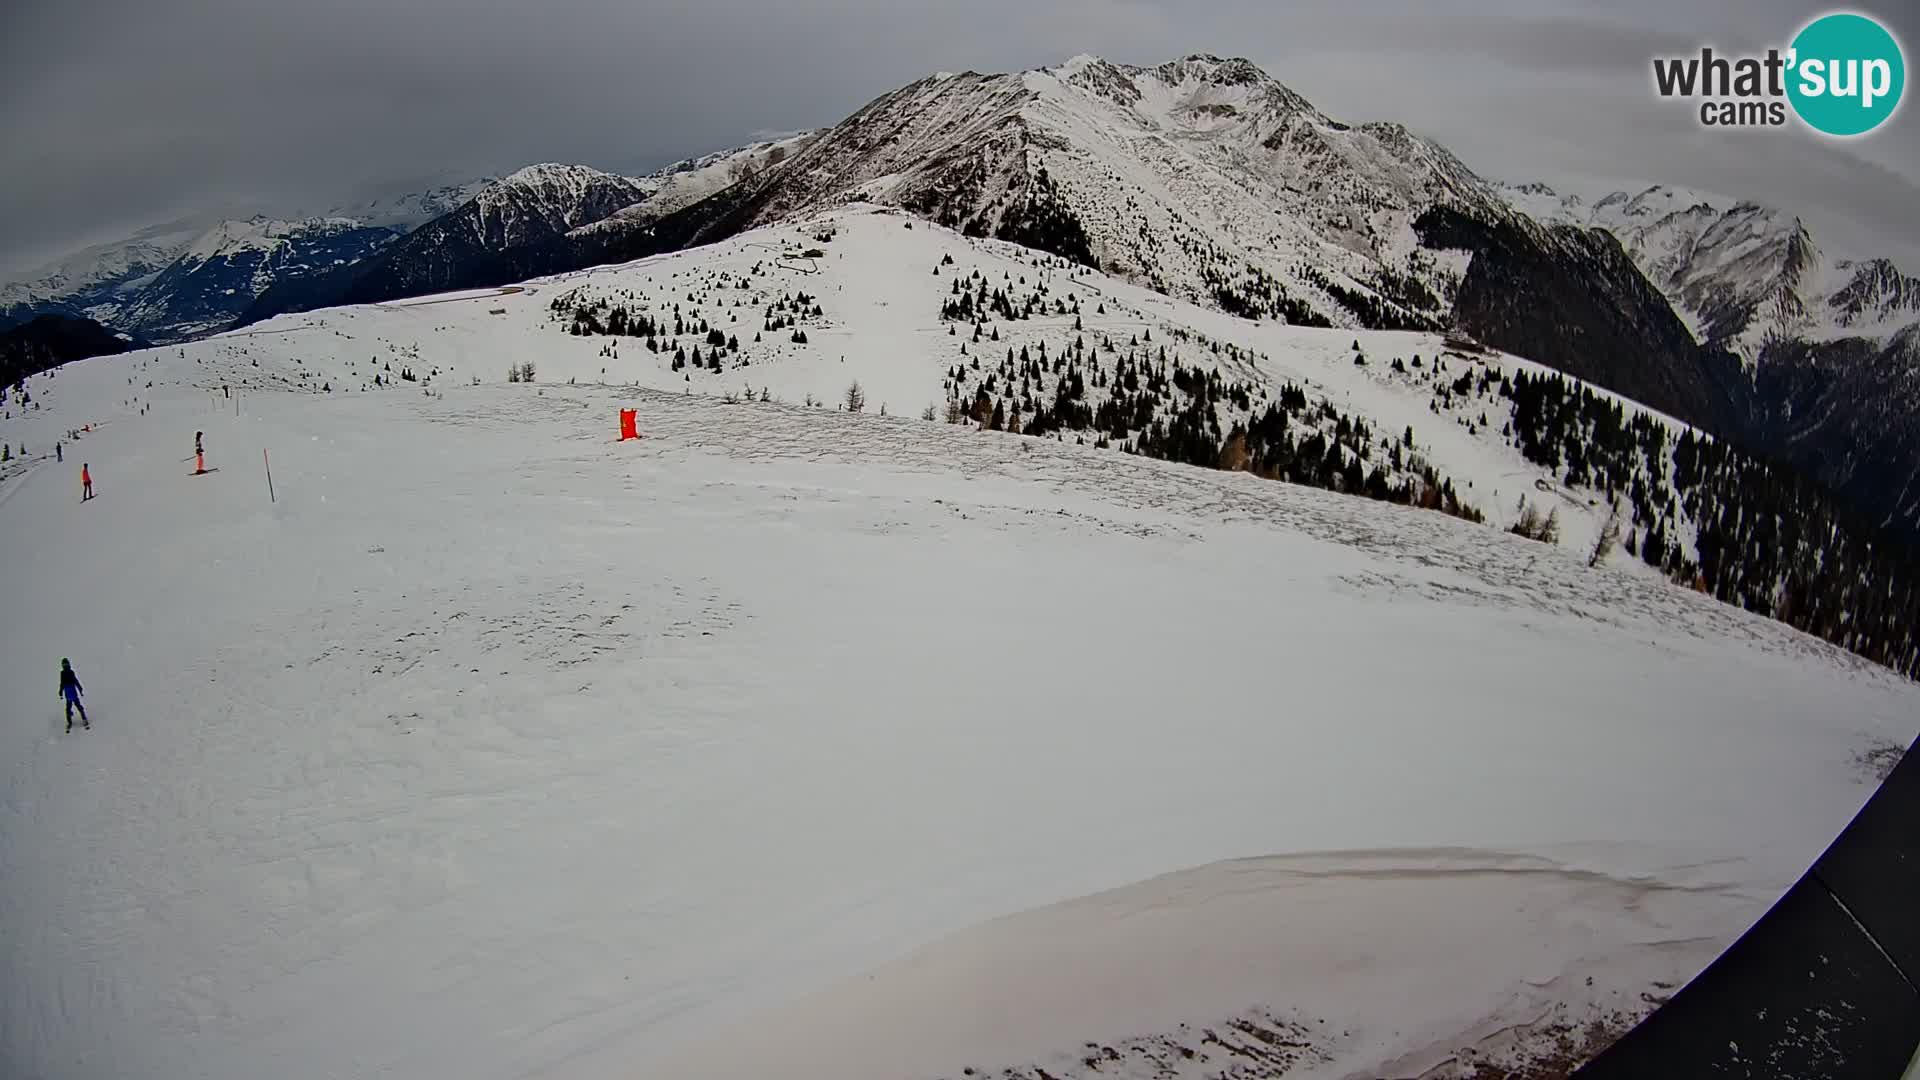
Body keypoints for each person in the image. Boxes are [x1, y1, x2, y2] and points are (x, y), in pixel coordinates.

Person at [59, 659, 88, 731]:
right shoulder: (65, 673)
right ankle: (82, 719)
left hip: (70, 694)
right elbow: (73, 681)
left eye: (65, 664)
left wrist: (61, 692)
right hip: (70, 694)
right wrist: (80, 689)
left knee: (71, 708)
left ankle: (76, 721)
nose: (65, 666)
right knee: (75, 707)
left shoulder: (67, 673)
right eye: (64, 665)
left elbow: (73, 681)